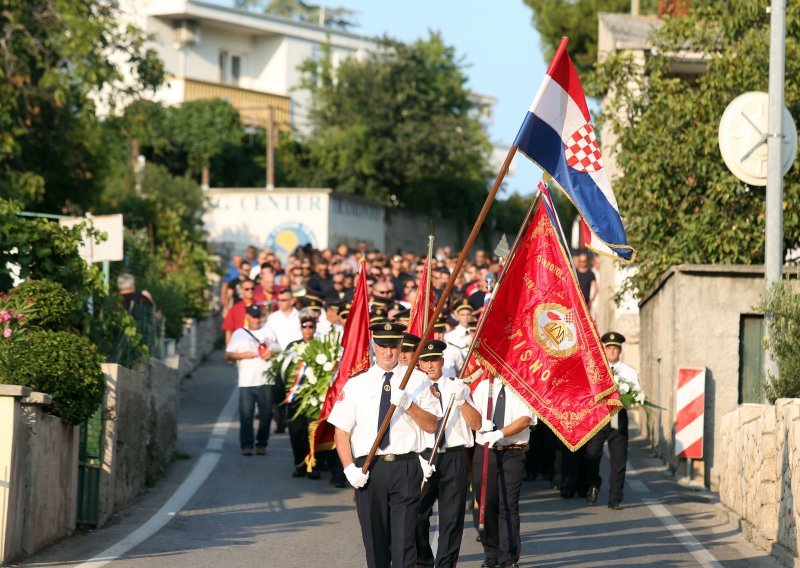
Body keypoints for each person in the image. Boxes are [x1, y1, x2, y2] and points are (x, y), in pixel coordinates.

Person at [328, 322, 441, 568]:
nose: (388, 352)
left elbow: (432, 425)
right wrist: (349, 469)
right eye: (382, 346)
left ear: (401, 346)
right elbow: (341, 431)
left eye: (393, 346)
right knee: (375, 540)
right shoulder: (357, 383)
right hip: (370, 469)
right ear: (374, 345)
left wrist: (409, 405)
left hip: (406, 467)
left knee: (405, 541)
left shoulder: (418, 380)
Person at [416, 339, 482, 568]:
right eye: (425, 361)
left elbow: (476, 423)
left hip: (453, 456)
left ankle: (445, 564)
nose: (430, 365)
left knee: (452, 518)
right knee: (417, 515)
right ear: (420, 364)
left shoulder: (458, 386)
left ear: (442, 361)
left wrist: (462, 400)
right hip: (423, 457)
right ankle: (423, 560)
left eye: (434, 359)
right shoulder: (414, 389)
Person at [472, 378, 536, 568]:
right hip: (485, 450)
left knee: (508, 504)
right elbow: (473, 415)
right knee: (487, 501)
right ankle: (491, 551)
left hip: (512, 451)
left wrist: (500, 433)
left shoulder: (524, 386)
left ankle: (508, 557)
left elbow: (525, 419)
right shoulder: (484, 386)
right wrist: (478, 422)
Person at [584, 331, 642, 510]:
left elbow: (638, 396)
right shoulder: (595, 370)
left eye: (615, 348)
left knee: (619, 458)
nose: (612, 352)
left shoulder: (629, 372)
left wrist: (628, 398)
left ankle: (615, 497)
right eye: (609, 348)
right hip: (598, 417)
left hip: (618, 416)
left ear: (620, 350)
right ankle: (593, 483)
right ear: (604, 349)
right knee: (592, 454)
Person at [224, 305, 277, 456]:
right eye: (253, 316)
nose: (256, 320)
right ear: (247, 317)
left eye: (258, 316)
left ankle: (262, 443)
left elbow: (277, 349)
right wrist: (243, 355)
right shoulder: (239, 334)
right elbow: (227, 356)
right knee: (246, 415)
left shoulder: (267, 330)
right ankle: (246, 445)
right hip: (246, 381)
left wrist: (270, 352)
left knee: (266, 415)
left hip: (266, 380)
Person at [285, 311, 321, 479]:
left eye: (311, 326)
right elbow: (284, 371)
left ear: (315, 328)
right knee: (296, 433)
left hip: (314, 398)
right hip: (295, 398)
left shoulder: (321, 347)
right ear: (300, 328)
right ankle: (299, 464)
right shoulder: (292, 347)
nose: (307, 329)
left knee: (313, 433)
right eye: (304, 326)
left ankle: (313, 466)